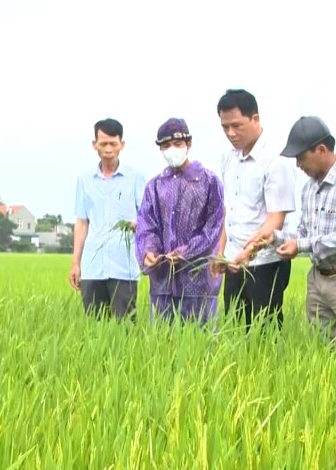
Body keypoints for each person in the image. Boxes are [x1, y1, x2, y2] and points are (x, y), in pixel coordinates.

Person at [246, 116, 336, 340]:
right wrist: (275, 237)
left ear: (322, 150)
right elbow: (304, 234)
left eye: (301, 157)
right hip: (318, 278)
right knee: (323, 346)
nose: (298, 165)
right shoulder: (308, 189)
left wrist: (300, 245)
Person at [216, 89, 296, 331]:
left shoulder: (275, 161)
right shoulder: (228, 158)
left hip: (264, 262)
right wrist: (221, 252)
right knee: (235, 330)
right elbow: (229, 211)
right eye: (225, 127)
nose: (231, 133)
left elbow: (276, 219)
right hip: (233, 261)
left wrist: (248, 252)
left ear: (255, 119)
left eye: (237, 125)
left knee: (264, 333)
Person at [134, 118, 225, 325]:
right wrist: (149, 253)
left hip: (198, 283)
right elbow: (146, 226)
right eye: (165, 146)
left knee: (200, 346)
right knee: (162, 347)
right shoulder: (155, 186)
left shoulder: (209, 182)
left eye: (177, 144)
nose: (171, 150)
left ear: (188, 144)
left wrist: (185, 252)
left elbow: (213, 229)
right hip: (163, 284)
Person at [70, 118, 148, 320]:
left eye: (113, 144)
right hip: (93, 267)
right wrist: (76, 263)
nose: (108, 149)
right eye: (103, 143)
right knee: (95, 329)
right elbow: (82, 222)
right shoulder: (85, 179)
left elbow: (147, 218)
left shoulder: (135, 178)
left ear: (122, 144)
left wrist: (137, 225)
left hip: (124, 267)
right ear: (94, 144)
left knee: (125, 329)